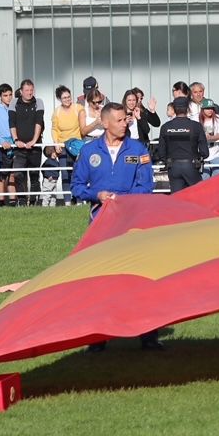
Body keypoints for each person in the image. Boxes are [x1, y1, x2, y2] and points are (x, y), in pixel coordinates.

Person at [70, 102, 159, 350]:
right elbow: (77, 187)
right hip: (100, 224)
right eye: (120, 120)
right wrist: (98, 195)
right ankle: (97, 339)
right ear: (106, 122)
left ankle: (148, 336)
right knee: (99, 282)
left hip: (131, 223)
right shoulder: (89, 152)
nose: (125, 123)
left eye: (126, 119)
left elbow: (146, 186)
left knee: (138, 280)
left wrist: (124, 201)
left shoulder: (138, 149)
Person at [155, 97, 208, 193]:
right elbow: (205, 152)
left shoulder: (166, 127)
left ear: (174, 109)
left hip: (173, 167)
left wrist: (166, 160)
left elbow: (161, 152)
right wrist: (198, 158)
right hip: (191, 166)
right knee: (198, 195)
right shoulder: (196, 126)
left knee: (177, 199)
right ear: (188, 109)